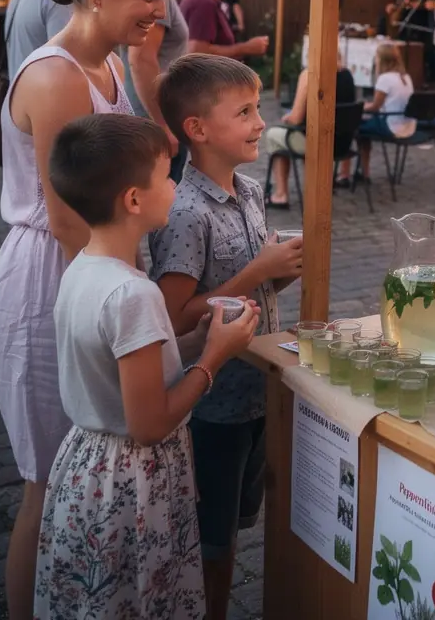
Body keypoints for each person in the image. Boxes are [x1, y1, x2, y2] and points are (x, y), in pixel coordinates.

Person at [0, 0, 170, 620]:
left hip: (92, 273)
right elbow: (66, 221)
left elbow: (154, 154)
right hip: (48, 285)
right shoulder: (57, 75)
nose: (160, 12)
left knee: (74, 475)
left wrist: (147, 69)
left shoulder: (113, 63)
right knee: (46, 483)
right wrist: (109, 309)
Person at [35, 113, 259, 619]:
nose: (176, 185)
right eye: (165, 176)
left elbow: (127, 371)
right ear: (133, 200)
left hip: (85, 470)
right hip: (131, 483)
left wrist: (198, 336)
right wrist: (213, 358)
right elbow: (149, 424)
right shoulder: (135, 294)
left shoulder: (82, 269)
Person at [151, 54, 304, 620]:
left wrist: (284, 270)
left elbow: (254, 298)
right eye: (244, 112)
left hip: (254, 390)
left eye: (257, 108)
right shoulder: (185, 213)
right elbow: (172, 320)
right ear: (198, 129)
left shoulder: (249, 191)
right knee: (209, 542)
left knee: (237, 524)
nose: (260, 123)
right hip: (211, 404)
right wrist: (257, 272)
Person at [123, 0, 193, 181]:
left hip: (146, 118)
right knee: (159, 214)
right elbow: (140, 58)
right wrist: (163, 125)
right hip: (154, 123)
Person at [264, 54, 356, 206]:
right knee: (308, 132)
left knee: (274, 135)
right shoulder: (347, 75)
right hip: (342, 145)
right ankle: (319, 186)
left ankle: (280, 195)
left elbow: (296, 118)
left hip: (316, 144)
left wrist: (288, 117)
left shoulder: (310, 75)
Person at [355, 43, 416, 179]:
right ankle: (363, 172)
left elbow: (375, 107)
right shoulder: (406, 77)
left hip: (392, 126)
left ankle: (364, 172)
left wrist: (361, 107)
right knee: (365, 126)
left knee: (358, 128)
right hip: (408, 125)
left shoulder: (385, 79)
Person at [388, 0, 435, 84]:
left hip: (419, 27)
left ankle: (418, 82)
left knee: (418, 59)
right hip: (403, 26)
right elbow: (396, 1)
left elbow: (430, 5)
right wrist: (392, 6)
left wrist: (419, 6)